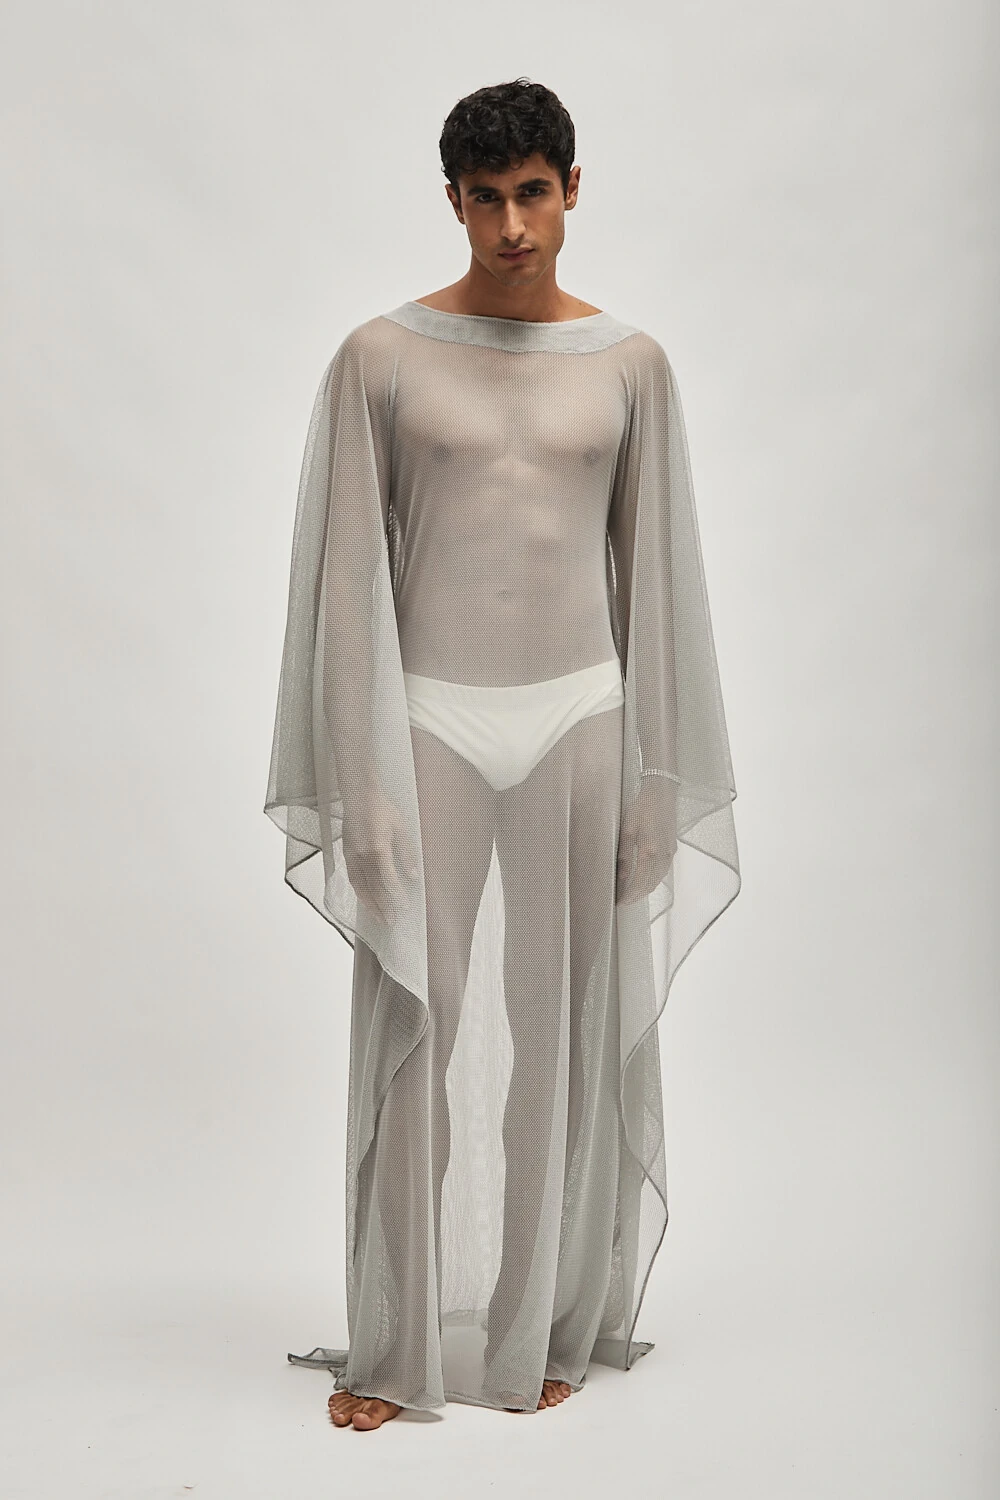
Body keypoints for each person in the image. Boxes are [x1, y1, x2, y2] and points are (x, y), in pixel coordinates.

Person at [264, 77, 740, 1431]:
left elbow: (658, 579)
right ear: (454, 201)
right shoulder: (381, 358)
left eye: (535, 193)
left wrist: (655, 779)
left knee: (559, 1037)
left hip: (583, 717)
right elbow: (347, 585)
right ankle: (395, 1347)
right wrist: (360, 782)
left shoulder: (631, 365)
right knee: (418, 1025)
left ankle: (539, 1327)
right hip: (429, 721)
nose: (513, 226)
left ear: (573, 189)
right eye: (487, 199)